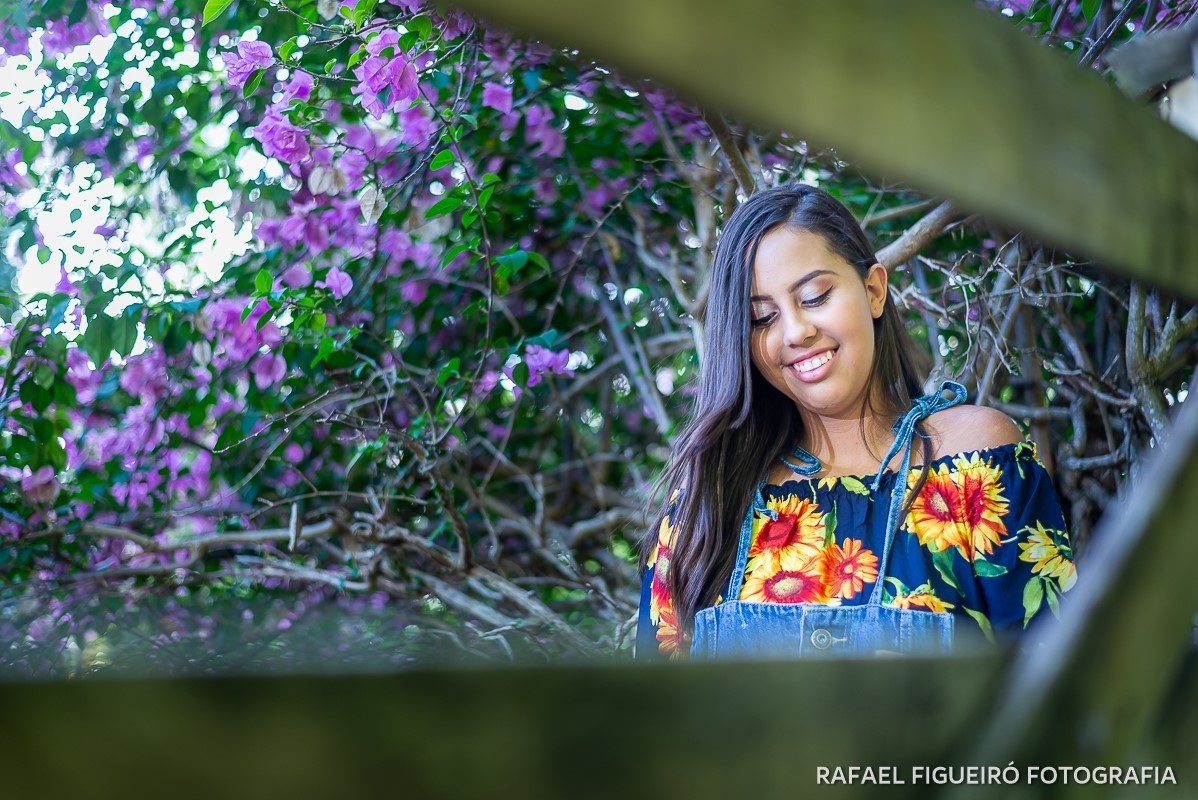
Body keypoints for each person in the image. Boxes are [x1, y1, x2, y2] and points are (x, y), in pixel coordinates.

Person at [635, 185, 1077, 661]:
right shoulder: (708, 503)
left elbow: (1058, 687)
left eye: (815, 296)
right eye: (762, 318)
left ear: (873, 291)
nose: (796, 332)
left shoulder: (979, 466)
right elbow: (652, 721)